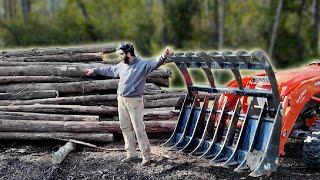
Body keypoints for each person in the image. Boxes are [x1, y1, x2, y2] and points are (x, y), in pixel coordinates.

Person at [86, 43, 173, 166]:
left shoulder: (142, 65)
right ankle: (131, 154)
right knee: (125, 127)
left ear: (129, 53)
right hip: (121, 100)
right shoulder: (121, 66)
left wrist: (164, 55)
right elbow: (110, 70)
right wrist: (95, 70)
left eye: (122, 54)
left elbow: (155, 63)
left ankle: (146, 157)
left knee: (139, 129)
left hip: (134, 102)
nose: (120, 56)